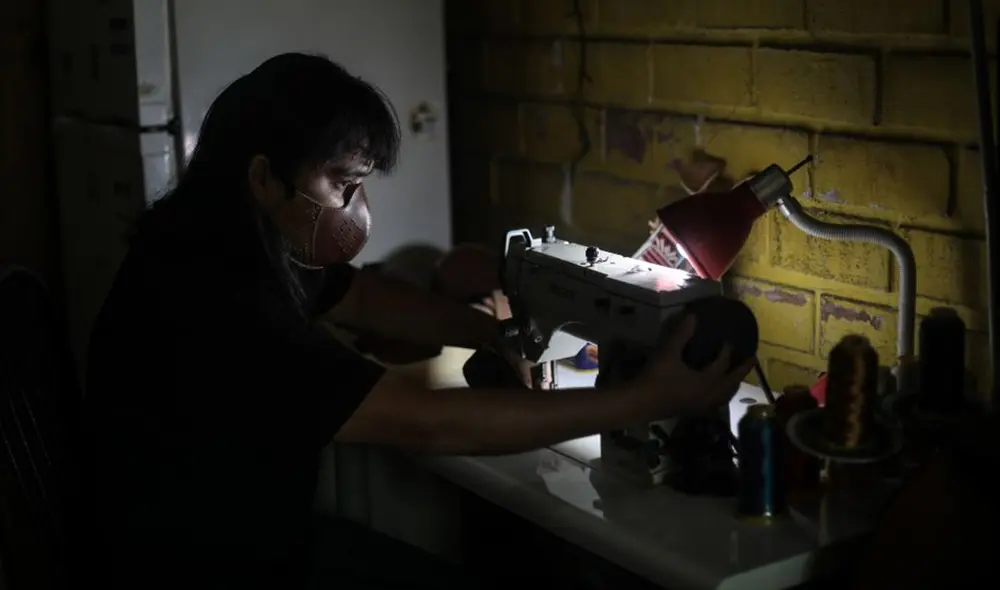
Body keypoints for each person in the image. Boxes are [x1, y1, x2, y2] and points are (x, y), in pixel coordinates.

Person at [74, 53, 753, 590]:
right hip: (203, 573)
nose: (356, 205)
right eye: (343, 184)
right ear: (263, 176)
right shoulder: (224, 303)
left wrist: (496, 331)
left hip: (231, 541)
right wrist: (645, 399)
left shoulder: (216, 243)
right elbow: (427, 421)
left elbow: (363, 300)